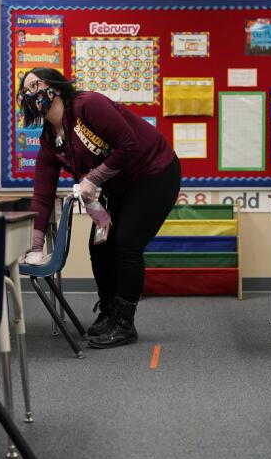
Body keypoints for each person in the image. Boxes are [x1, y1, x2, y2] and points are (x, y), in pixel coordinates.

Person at [18, 67, 181, 349]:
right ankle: (108, 313)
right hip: (119, 186)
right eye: (25, 89)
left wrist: (92, 178)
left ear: (54, 88)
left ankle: (124, 324)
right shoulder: (49, 141)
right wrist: (35, 246)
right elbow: (42, 197)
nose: (29, 93)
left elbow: (128, 144)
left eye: (35, 85)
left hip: (154, 172)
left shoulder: (87, 105)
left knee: (126, 244)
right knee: (99, 246)